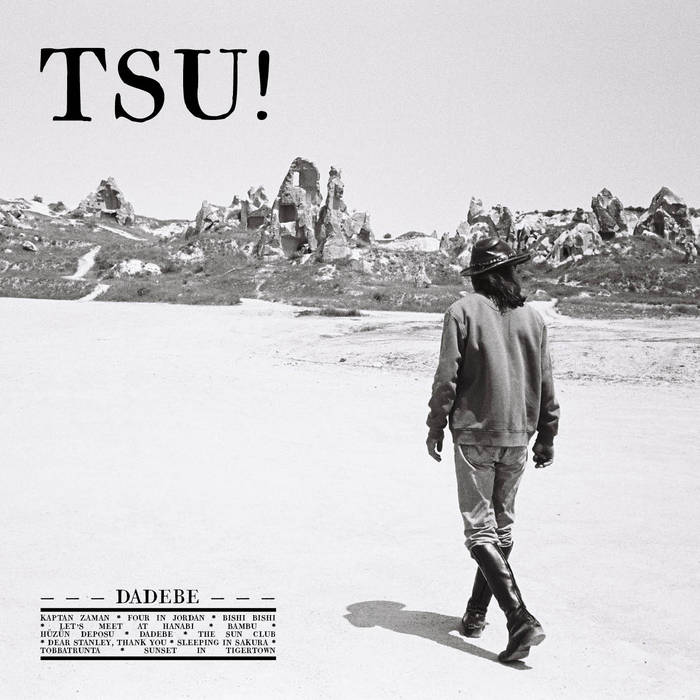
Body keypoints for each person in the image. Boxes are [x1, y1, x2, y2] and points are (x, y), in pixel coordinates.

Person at [425, 237, 560, 663]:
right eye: (515, 270)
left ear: (479, 276)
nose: (519, 275)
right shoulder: (533, 318)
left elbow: (446, 379)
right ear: (506, 273)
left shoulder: (461, 312)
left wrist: (435, 425)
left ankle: (519, 618)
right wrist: (547, 434)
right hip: (518, 436)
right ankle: (476, 614)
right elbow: (546, 382)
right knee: (500, 529)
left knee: (480, 531)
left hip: (475, 435)